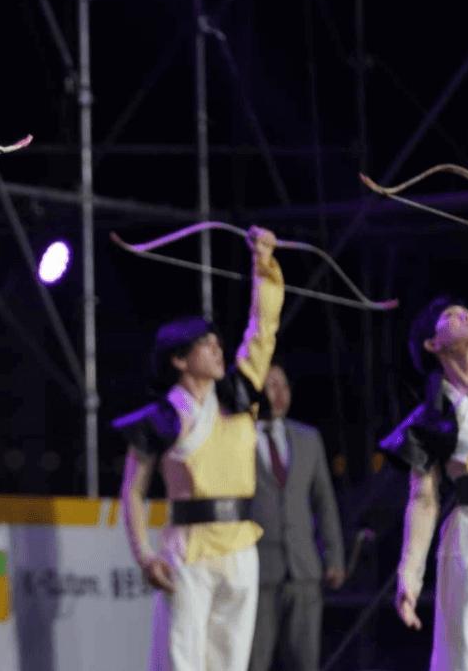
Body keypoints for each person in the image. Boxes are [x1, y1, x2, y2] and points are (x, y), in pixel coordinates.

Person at [115, 226, 284, 671]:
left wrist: (262, 261)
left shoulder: (238, 395)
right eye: (204, 344)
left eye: (216, 343)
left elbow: (263, 328)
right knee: (182, 658)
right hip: (187, 547)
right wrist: (143, 553)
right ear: (178, 359)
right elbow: (133, 491)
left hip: (241, 544)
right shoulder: (161, 419)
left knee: (232, 659)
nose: (217, 349)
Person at [380, 173, 468, 671]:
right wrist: (409, 578)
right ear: (432, 346)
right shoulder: (429, 418)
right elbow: (423, 499)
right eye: (452, 316)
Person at [248, 361, 344, 671]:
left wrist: (334, 558)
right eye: (270, 385)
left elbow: (324, 502)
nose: (278, 393)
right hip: (257, 571)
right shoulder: (238, 437)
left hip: (304, 570)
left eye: (283, 386)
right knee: (254, 660)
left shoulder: (308, 438)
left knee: (304, 662)